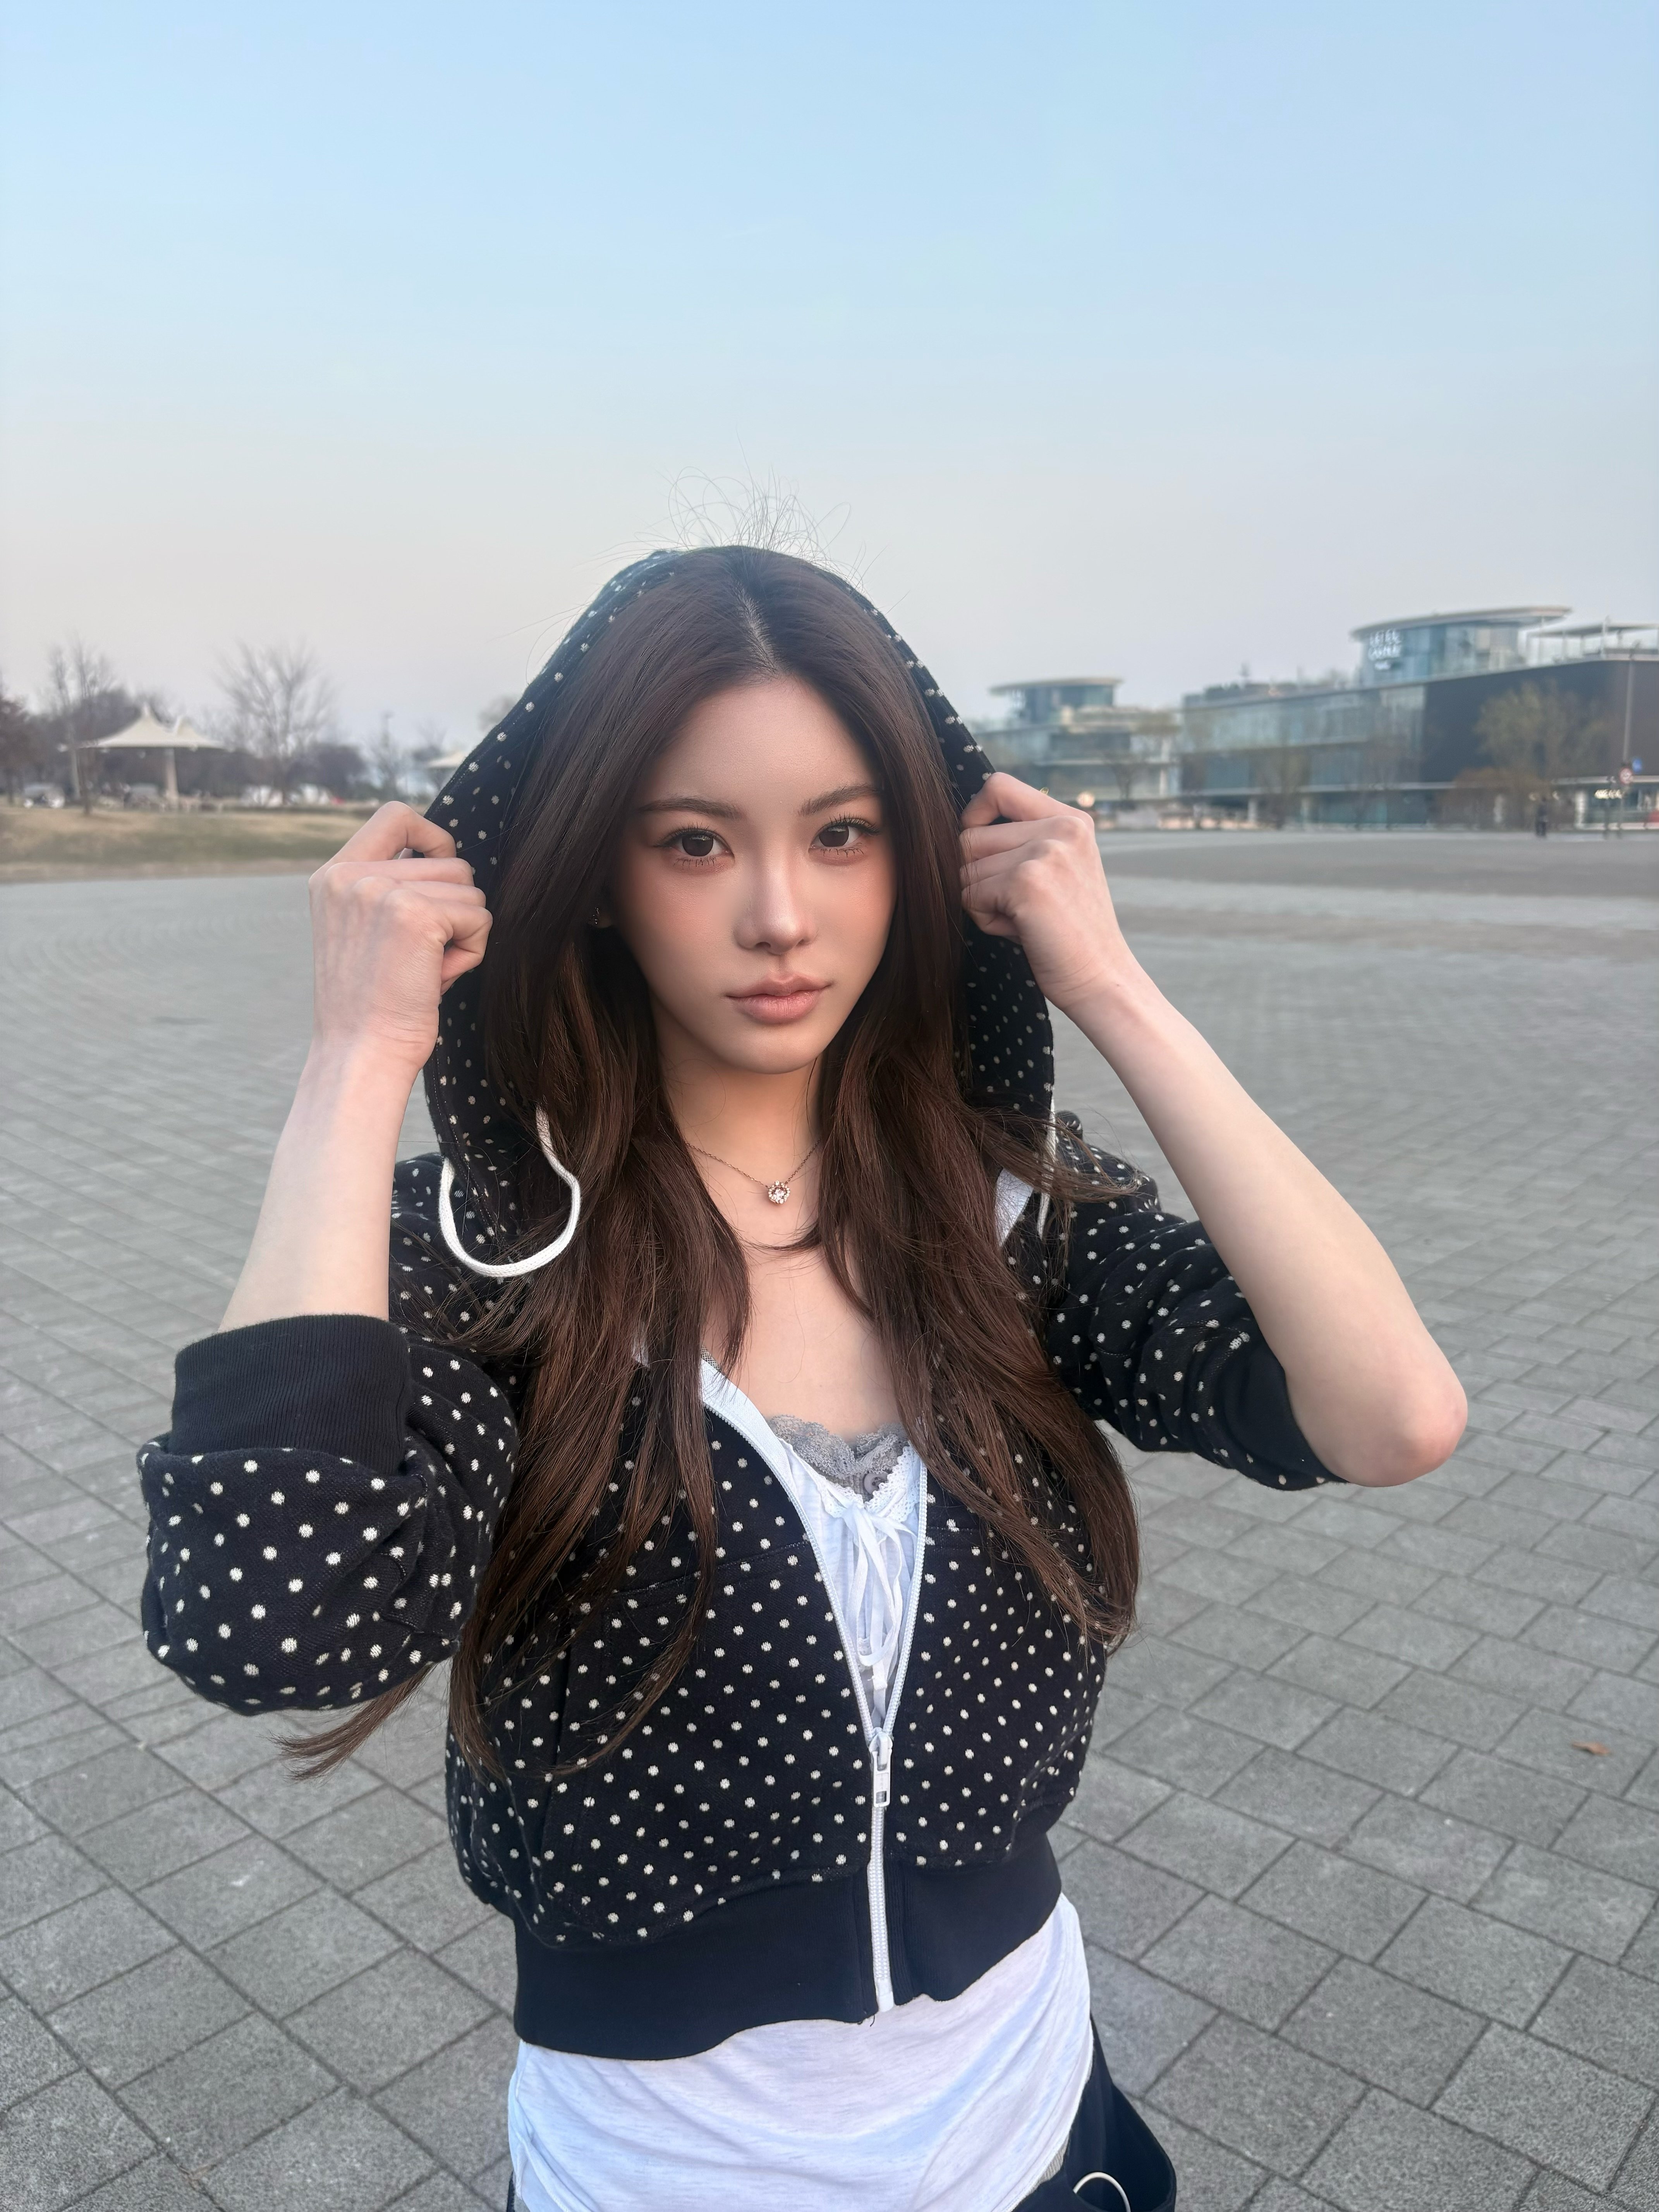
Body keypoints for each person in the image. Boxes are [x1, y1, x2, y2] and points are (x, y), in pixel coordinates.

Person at [138, 546, 1466, 2212]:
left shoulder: (1005, 1214)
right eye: (695, 842)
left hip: (1040, 2135)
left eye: (843, 836)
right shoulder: (495, 1254)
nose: (781, 915)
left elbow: (1393, 1415)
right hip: (670, 2171)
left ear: (916, 859)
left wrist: (1108, 985)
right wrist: (357, 1059)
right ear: (600, 874)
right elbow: (273, 1628)